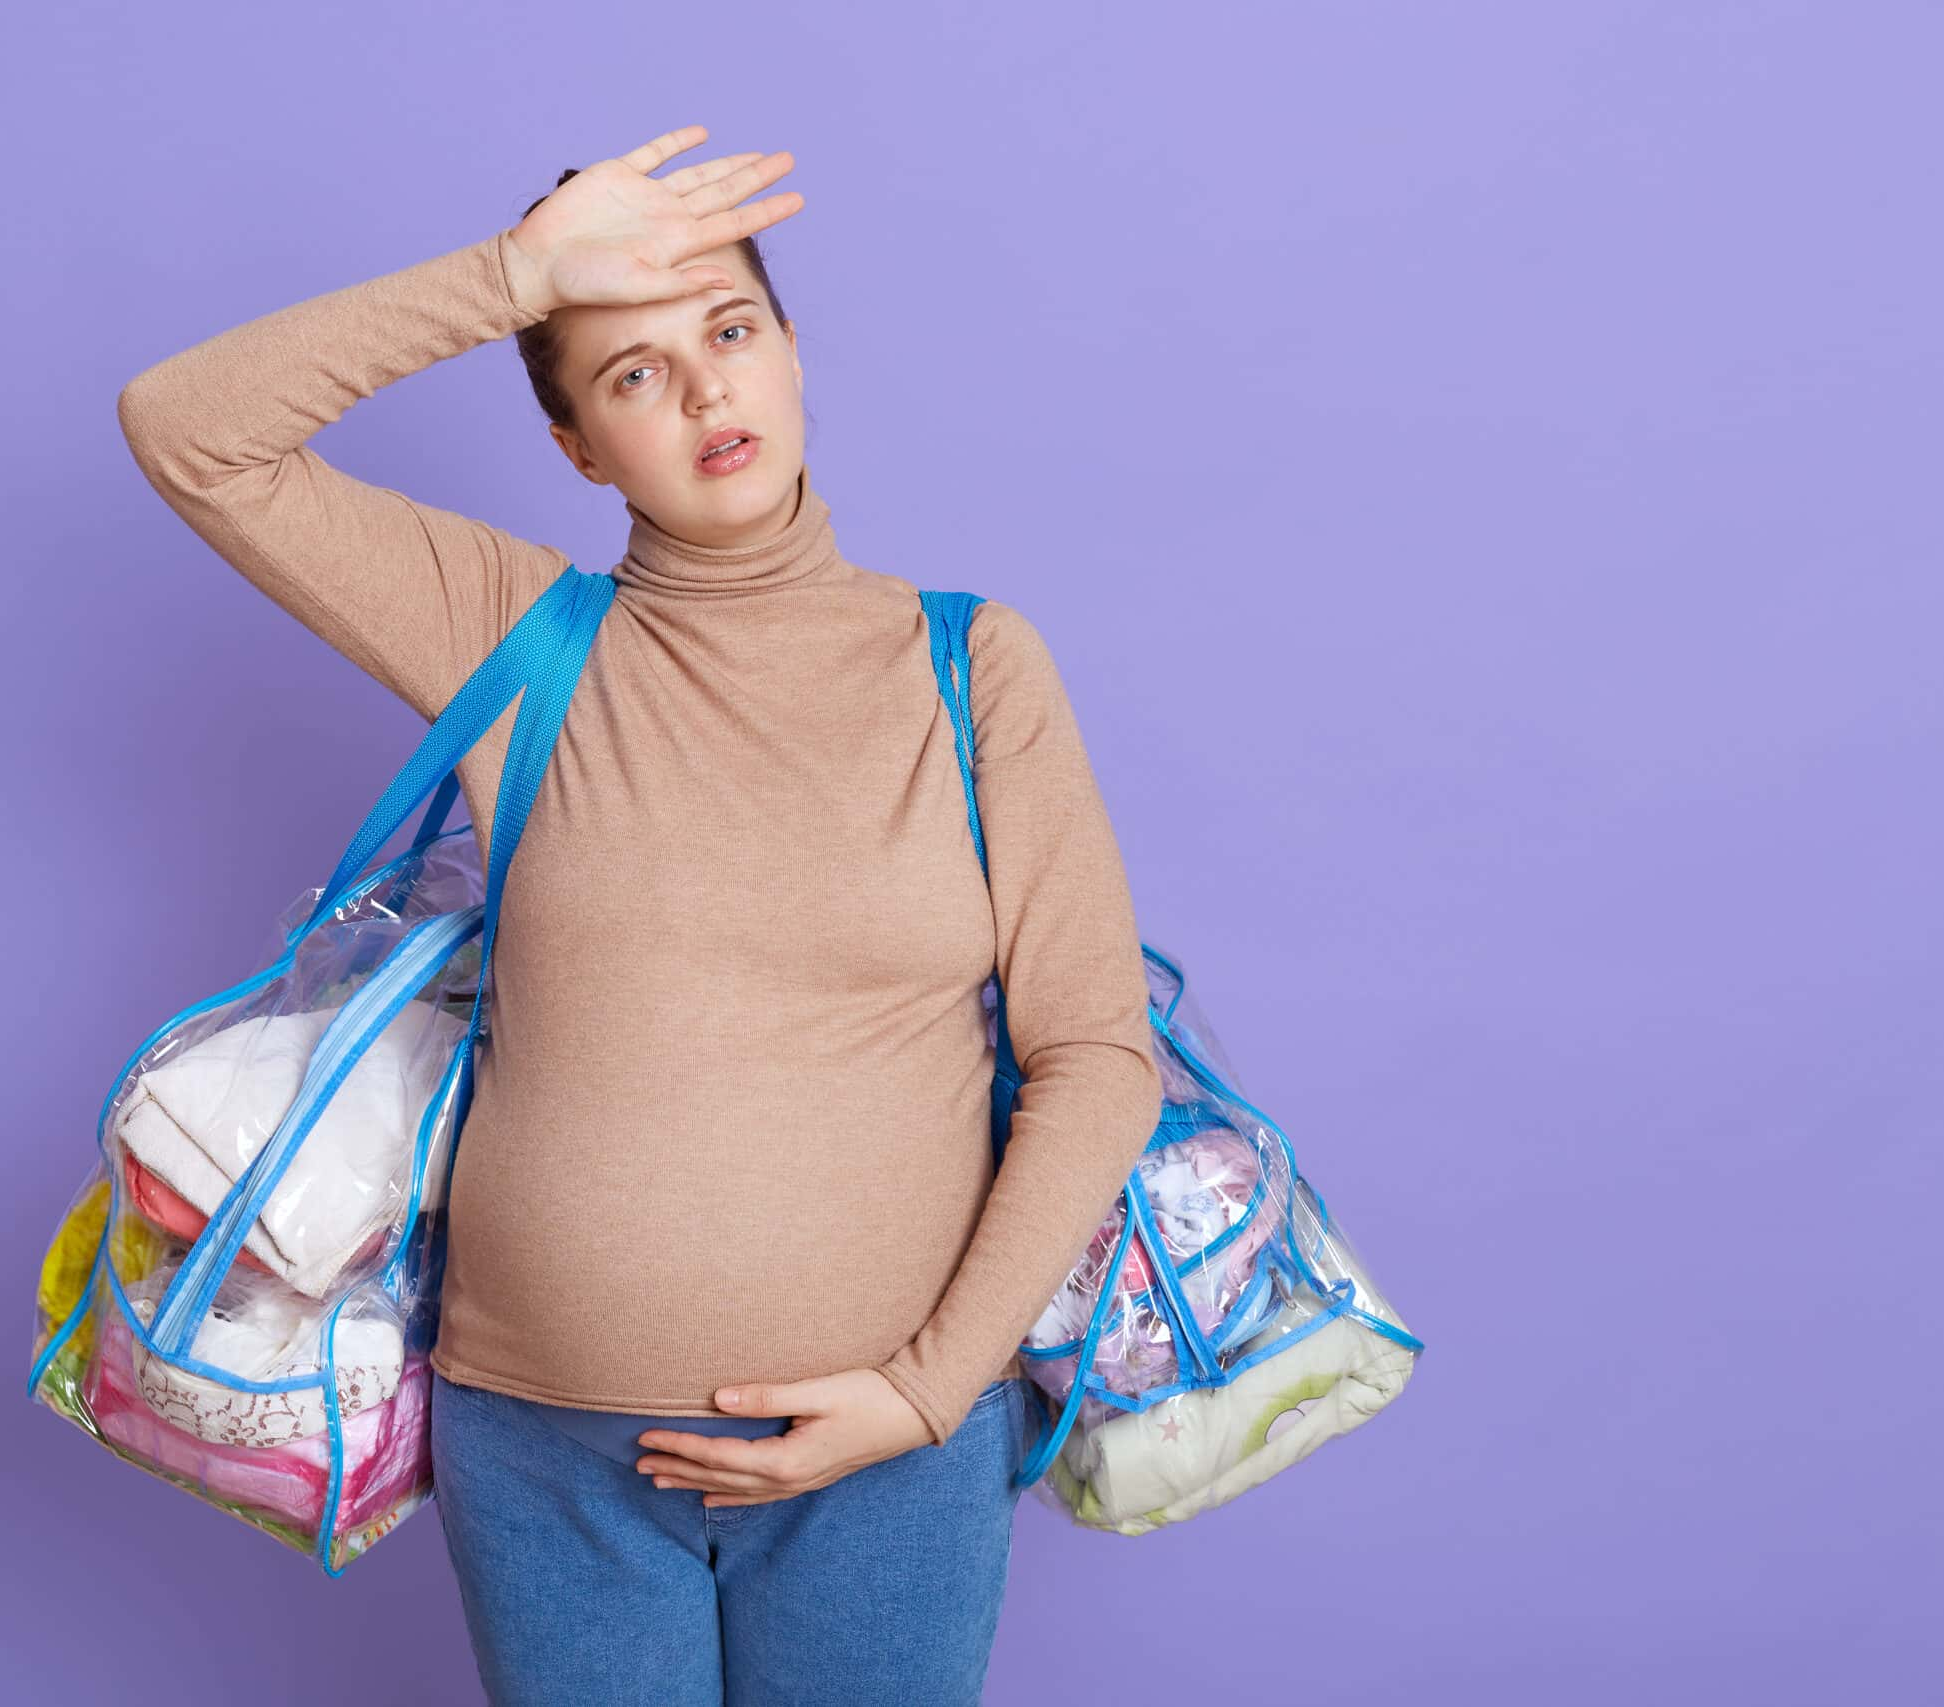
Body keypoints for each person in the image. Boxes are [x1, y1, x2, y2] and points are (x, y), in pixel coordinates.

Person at [114, 124, 1163, 1706]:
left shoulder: (973, 668)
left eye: (730, 333)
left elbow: (1099, 1052)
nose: (703, 393)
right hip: (549, 1456)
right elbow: (187, 431)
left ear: (796, 353)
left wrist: (927, 1393)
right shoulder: (519, 641)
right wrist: (516, 278)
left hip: (893, 1454)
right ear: (579, 447)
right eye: (630, 374)